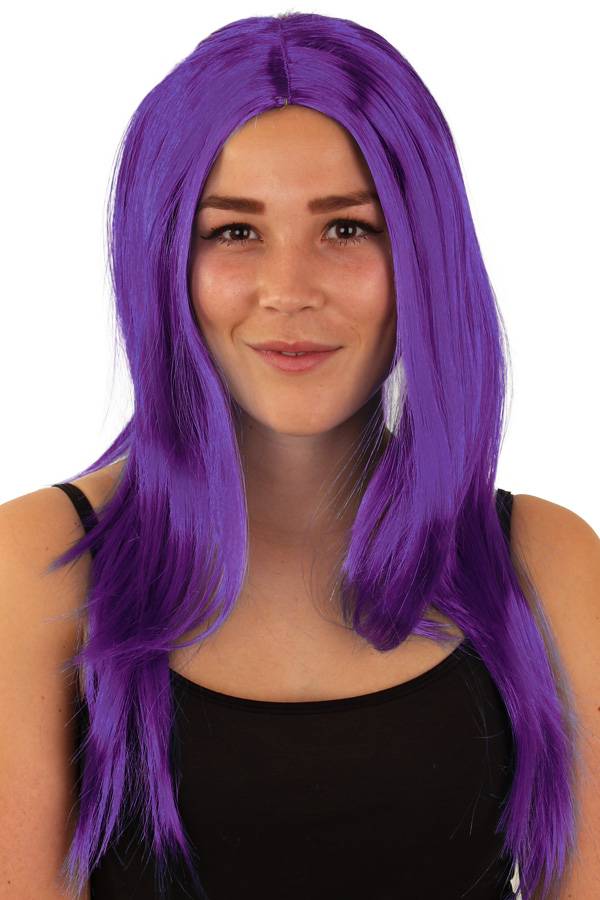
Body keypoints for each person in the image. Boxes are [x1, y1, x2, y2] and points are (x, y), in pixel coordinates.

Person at [1, 12, 598, 900]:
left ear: (424, 255)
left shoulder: (544, 565)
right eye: (234, 232)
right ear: (161, 261)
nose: (289, 291)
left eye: (347, 229)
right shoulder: (41, 565)